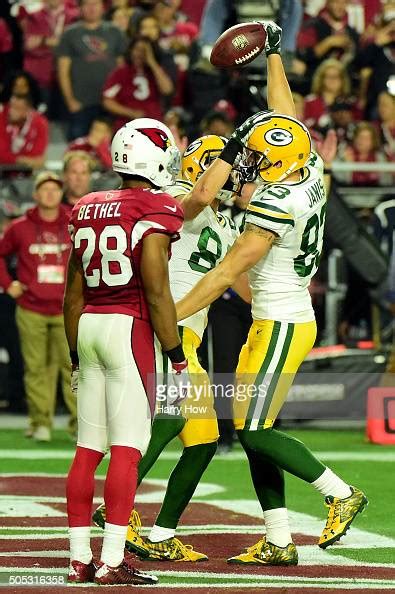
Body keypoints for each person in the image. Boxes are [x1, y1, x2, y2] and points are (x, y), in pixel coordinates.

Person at [176, 22, 368, 565]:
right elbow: (287, 117)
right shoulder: (308, 163)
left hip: (282, 320)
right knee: (256, 427)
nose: (250, 169)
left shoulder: (274, 206)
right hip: (276, 316)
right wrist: (275, 56)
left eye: (257, 163)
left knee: (253, 429)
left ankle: (339, 492)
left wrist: (166, 313)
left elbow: (220, 277)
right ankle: (279, 538)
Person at [92, 134, 248, 561]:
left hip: (190, 336)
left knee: (202, 442)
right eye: (228, 166)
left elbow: (246, 290)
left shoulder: (226, 222)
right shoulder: (176, 196)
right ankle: (113, 504)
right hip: (168, 329)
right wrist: (231, 151)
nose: (236, 174)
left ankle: (161, 535)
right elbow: (197, 195)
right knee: (169, 416)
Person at [64, 118, 185, 585]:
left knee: (86, 451)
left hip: (90, 325)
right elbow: (156, 293)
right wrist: (174, 354)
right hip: (128, 328)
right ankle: (112, 560)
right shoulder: (155, 207)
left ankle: (78, 560)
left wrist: (75, 353)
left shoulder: (88, 205)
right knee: (127, 452)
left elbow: (72, 295)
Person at [0, 171, 76, 441]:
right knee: (36, 368)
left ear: (60, 193)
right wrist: (9, 285)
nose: (50, 194)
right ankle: (40, 422)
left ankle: (79, 424)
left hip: (67, 308)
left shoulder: (73, 222)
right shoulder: (19, 227)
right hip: (31, 308)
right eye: (44, 189)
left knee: (73, 367)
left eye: (55, 189)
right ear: (35, 194)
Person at [57, 0, 127, 140]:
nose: (92, 8)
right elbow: (63, 71)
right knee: (79, 147)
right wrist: (70, 101)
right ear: (80, 8)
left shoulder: (115, 32)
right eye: (87, 4)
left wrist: (121, 100)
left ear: (103, 7)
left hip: (110, 103)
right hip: (81, 103)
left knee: (113, 147)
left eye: (95, 4)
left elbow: (123, 68)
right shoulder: (70, 34)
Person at [102, 36, 174, 131]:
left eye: (144, 51)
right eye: (137, 49)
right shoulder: (120, 73)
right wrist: (131, 113)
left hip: (153, 126)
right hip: (126, 127)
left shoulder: (156, 72)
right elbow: (107, 101)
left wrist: (152, 62)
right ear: (131, 50)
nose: (139, 54)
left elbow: (167, 90)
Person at [0, 94, 49, 171]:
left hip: (28, 173)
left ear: (27, 111)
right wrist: (21, 159)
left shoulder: (40, 123)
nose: (11, 111)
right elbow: (1, 154)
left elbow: (38, 154)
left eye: (17, 108)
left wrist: (13, 157)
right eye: (11, 106)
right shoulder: (2, 119)